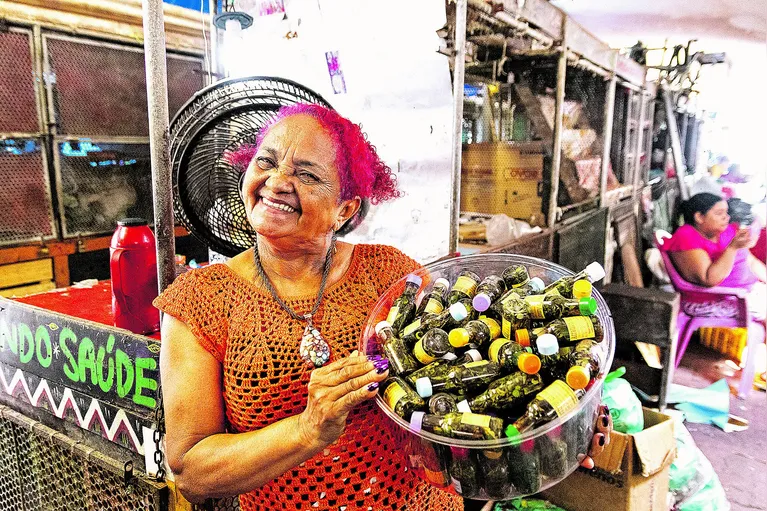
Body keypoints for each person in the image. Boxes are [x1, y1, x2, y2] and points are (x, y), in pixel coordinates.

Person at [155, 103, 611, 510]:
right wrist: (308, 429)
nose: (277, 182)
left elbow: (483, 374)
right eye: (266, 162)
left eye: (307, 174)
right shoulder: (202, 301)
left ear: (344, 207)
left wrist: (567, 413)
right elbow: (192, 474)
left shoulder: (392, 276)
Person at [662, 192, 766, 318]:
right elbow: (708, 279)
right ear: (699, 217)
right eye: (719, 213)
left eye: (726, 213)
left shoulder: (723, 232)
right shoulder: (686, 237)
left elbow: (750, 260)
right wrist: (732, 248)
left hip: (742, 292)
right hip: (712, 301)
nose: (726, 218)